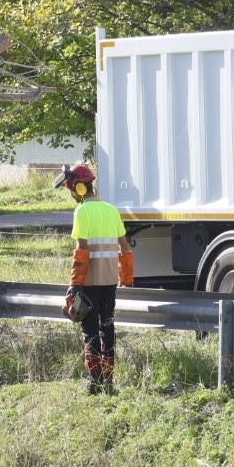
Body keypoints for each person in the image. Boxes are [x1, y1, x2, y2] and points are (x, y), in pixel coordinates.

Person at [57, 164, 134, 394]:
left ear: (80, 188)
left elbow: (81, 251)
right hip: (110, 281)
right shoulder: (111, 210)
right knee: (107, 329)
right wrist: (126, 278)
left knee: (89, 331)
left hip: (89, 282)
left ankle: (95, 381)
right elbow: (126, 248)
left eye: (71, 189)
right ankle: (109, 380)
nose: (71, 193)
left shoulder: (82, 212)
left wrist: (74, 284)